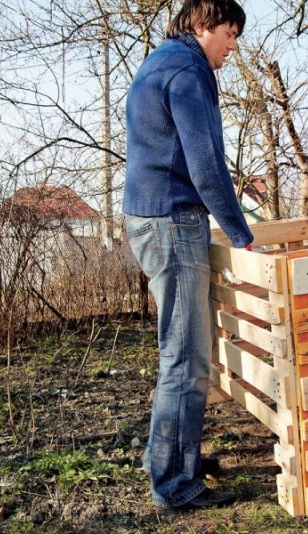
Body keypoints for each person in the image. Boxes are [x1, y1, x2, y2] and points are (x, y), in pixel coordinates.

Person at [122, 0, 254, 510]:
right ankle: (175, 485)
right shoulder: (186, 71)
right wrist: (240, 232)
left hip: (154, 216)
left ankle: (172, 456)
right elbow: (203, 163)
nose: (233, 44)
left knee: (180, 351)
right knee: (186, 357)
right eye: (229, 32)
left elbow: (184, 155)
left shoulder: (163, 61)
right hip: (172, 223)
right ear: (203, 25)